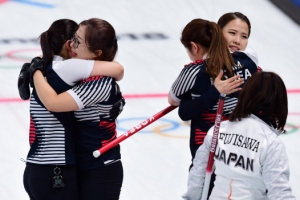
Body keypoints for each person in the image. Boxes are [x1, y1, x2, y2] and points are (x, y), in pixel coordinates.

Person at [21, 19, 124, 200]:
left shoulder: (100, 82)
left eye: (78, 41)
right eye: (73, 39)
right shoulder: (74, 74)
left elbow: (54, 102)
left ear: (96, 53)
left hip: (100, 167)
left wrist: (35, 70)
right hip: (77, 164)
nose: (72, 45)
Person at [182, 71, 296, 200]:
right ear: (279, 104)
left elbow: (197, 175)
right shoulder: (271, 143)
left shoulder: (218, 130)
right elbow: (280, 193)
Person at [168, 18, 258, 162]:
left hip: (208, 150)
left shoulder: (195, 70)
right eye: (232, 33)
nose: (236, 41)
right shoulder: (251, 62)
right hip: (246, 150)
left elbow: (175, 103)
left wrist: (208, 93)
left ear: (194, 47)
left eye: (243, 36)